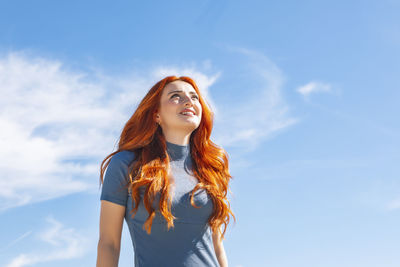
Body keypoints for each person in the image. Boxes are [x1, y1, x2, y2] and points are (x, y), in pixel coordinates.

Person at [96, 75, 235, 267]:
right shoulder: (127, 164)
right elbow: (108, 244)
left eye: (194, 97)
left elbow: (217, 247)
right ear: (156, 115)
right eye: (176, 96)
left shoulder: (210, 168)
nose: (188, 101)